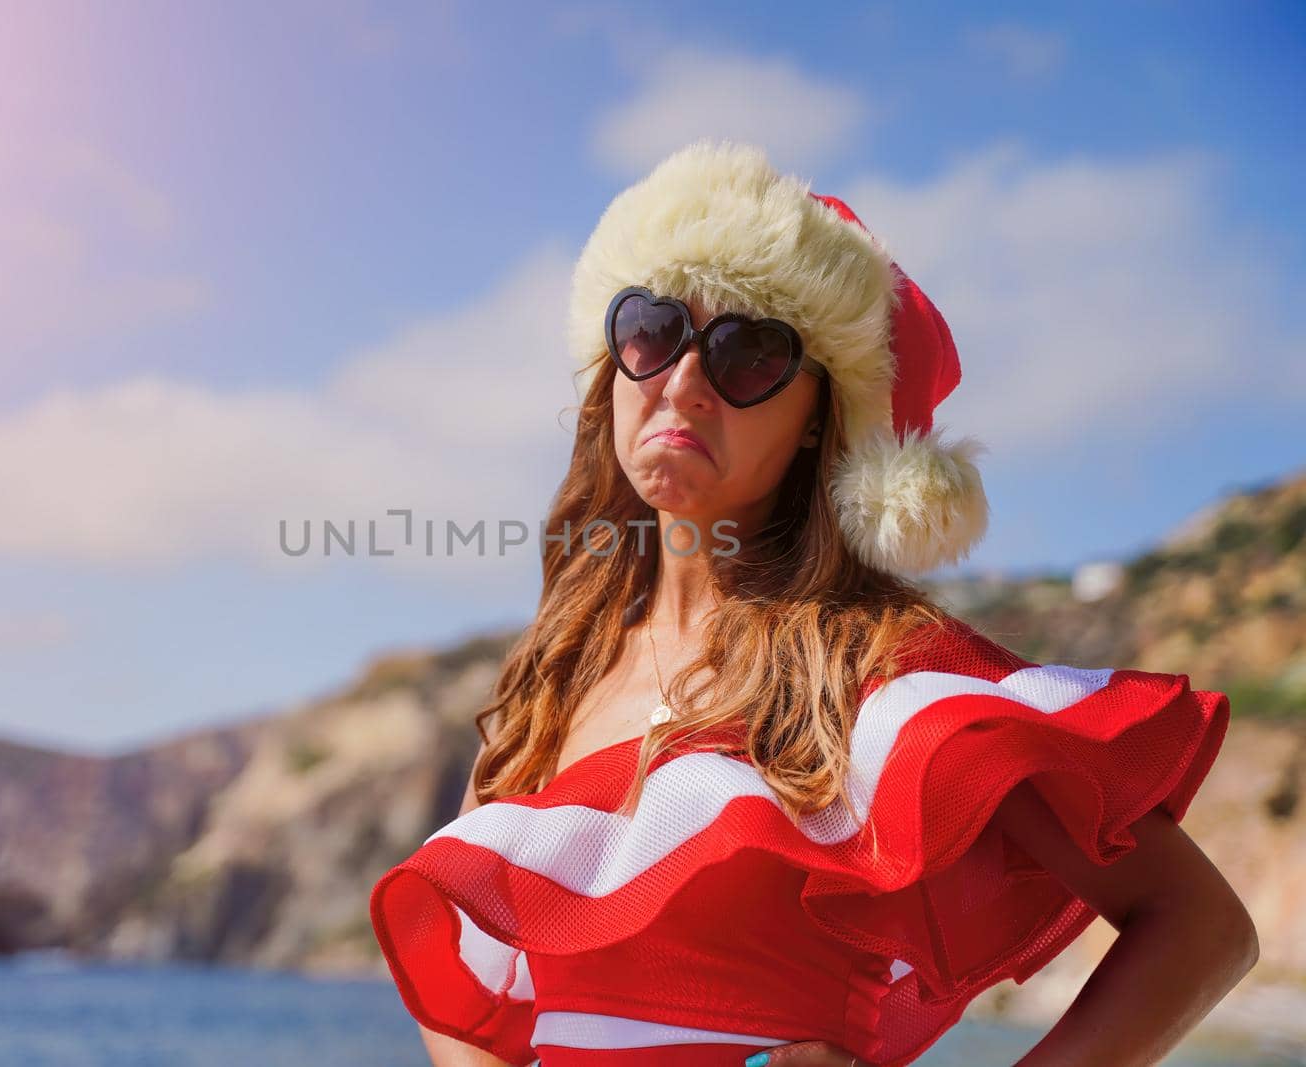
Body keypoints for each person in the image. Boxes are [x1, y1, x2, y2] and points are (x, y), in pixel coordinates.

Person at [367, 139, 1257, 1067]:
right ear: (614, 363)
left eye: (748, 353)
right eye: (652, 328)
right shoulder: (551, 686)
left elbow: (1198, 929)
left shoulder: (883, 673)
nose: (682, 383)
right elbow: (469, 999)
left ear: (815, 423)